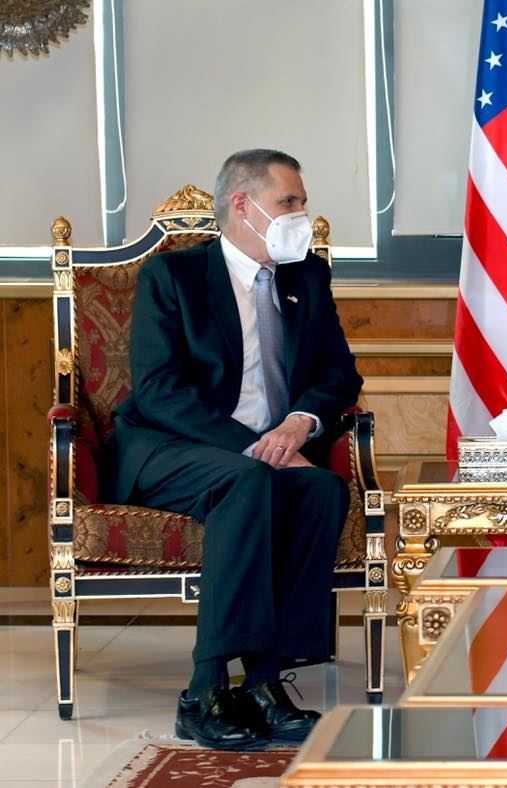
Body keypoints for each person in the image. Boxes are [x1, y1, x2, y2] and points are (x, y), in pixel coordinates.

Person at [104, 149, 363, 750]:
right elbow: (160, 391)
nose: (300, 215)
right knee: (250, 481)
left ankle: (266, 682)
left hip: (268, 448)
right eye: (288, 202)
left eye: (302, 203)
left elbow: (339, 374)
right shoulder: (174, 276)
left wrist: (297, 425)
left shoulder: (306, 277)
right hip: (172, 446)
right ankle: (205, 691)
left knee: (321, 489)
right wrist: (257, 449)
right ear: (243, 206)